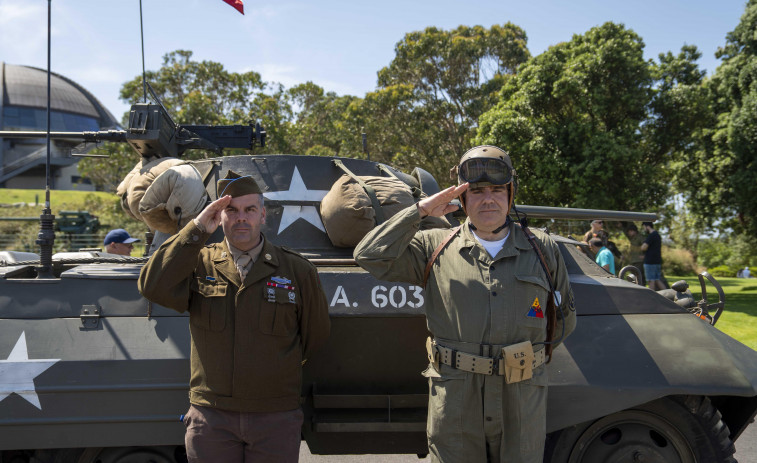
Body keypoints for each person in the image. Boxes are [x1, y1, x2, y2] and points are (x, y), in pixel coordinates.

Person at [354, 145, 576, 463]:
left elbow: (565, 317)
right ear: (462, 198)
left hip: (521, 396)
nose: (488, 199)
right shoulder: (435, 245)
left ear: (510, 194)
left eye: (498, 189)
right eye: (476, 191)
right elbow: (368, 255)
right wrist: (421, 210)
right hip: (457, 399)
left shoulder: (541, 248)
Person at [138, 170, 331, 463]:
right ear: (219, 215)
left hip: (274, 418)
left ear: (263, 215)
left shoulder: (297, 271)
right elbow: (152, 286)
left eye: (250, 209)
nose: (241, 217)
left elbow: (314, 335)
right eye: (231, 210)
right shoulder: (199, 263)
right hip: (212, 418)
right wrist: (198, 227)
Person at [641, 221, 664, 291]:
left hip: (650, 262)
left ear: (647, 226)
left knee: (651, 281)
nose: (644, 229)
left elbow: (643, 247)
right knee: (657, 280)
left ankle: (652, 299)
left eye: (644, 227)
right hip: (657, 261)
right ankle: (670, 295)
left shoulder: (651, 235)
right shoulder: (657, 235)